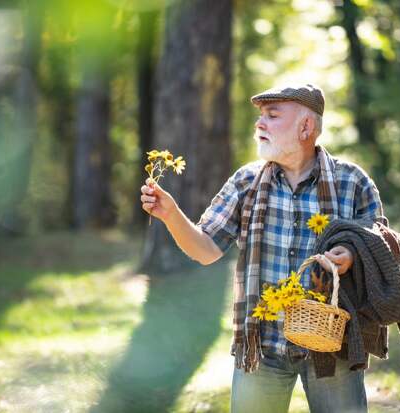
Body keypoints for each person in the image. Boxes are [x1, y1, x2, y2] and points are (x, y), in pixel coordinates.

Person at [140, 83, 385, 413]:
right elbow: (205, 249)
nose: (259, 124)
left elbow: (381, 249)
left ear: (306, 127)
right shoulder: (246, 182)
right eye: (260, 117)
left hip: (332, 343)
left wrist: (352, 255)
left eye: (272, 116)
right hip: (262, 346)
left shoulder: (353, 182)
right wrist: (170, 214)